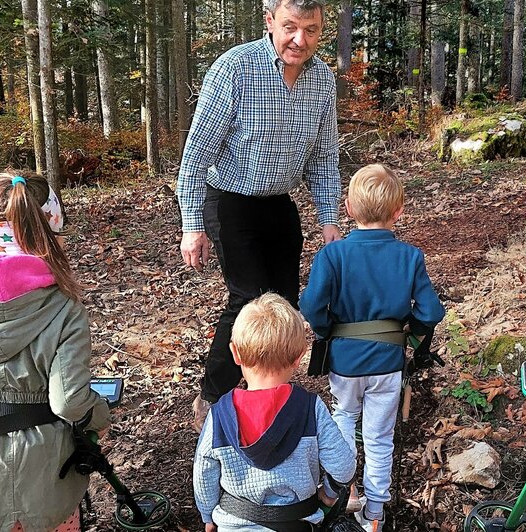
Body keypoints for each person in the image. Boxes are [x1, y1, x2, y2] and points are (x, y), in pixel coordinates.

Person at [176, 0, 342, 430]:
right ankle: (213, 398)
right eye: (290, 27)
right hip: (229, 198)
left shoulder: (322, 80)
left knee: (284, 307)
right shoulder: (235, 69)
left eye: (311, 29)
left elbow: (324, 159)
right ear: (269, 23)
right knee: (249, 301)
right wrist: (193, 226)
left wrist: (329, 220)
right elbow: (195, 157)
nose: (299, 40)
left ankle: (264, 395)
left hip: (278, 203)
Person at [0, 173, 110, 531]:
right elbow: (69, 402)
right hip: (44, 472)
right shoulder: (63, 307)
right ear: (53, 224)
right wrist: (100, 416)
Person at [299, 164, 446, 531]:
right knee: (380, 437)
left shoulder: (333, 255)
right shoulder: (410, 256)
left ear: (348, 208)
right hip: (388, 362)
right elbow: (431, 311)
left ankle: (339, 491)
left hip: (345, 362)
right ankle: (375, 513)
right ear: (398, 211)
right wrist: (410, 337)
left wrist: (328, 331)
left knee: (344, 419)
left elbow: (311, 306)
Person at [193, 292, 355, 531]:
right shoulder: (309, 408)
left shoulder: (220, 415)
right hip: (297, 523)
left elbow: (204, 472)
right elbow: (343, 466)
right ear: (298, 358)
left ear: (235, 353)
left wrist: (208, 515)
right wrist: (329, 492)